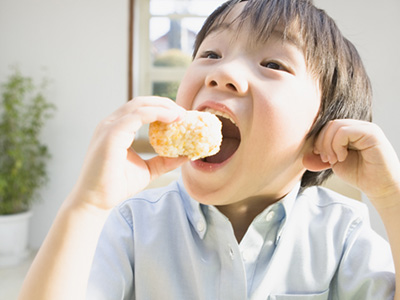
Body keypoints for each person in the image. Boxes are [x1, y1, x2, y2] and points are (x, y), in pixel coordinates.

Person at [19, 0, 400, 299]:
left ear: (323, 136)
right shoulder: (133, 226)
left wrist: (392, 198)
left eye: (272, 63)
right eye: (211, 54)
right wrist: (88, 205)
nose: (221, 73)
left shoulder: (342, 232)